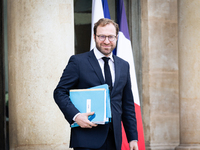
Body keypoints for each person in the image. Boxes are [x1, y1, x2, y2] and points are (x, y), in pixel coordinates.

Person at [54, 18, 138, 150]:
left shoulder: (124, 65)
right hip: (86, 138)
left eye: (111, 37)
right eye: (102, 36)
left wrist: (132, 138)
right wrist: (76, 116)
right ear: (94, 37)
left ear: (116, 38)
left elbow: (127, 104)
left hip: (114, 140)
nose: (106, 41)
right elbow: (59, 92)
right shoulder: (78, 62)